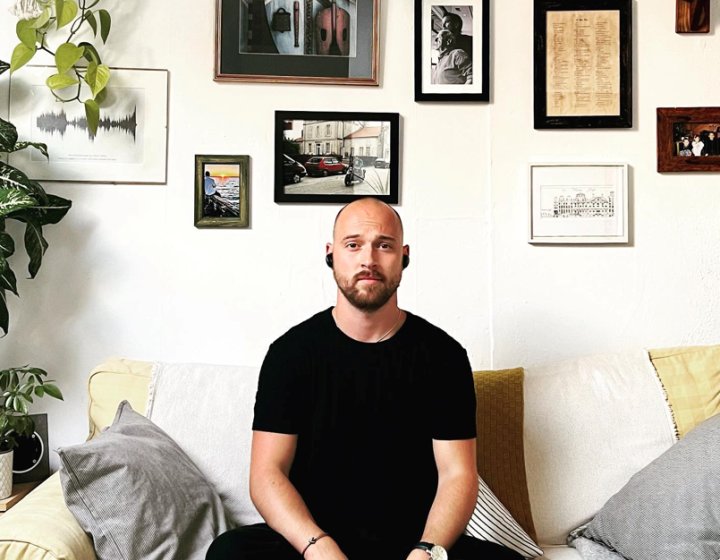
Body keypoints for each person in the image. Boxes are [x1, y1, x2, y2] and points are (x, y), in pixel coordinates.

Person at [206, 198, 522, 560]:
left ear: (403, 256)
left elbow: (458, 474)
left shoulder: (443, 355)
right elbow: (266, 474)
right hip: (315, 542)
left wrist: (428, 551)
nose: (368, 259)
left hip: (413, 544)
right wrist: (317, 547)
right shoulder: (290, 353)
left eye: (384, 245)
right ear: (331, 254)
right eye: (353, 244)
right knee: (229, 553)